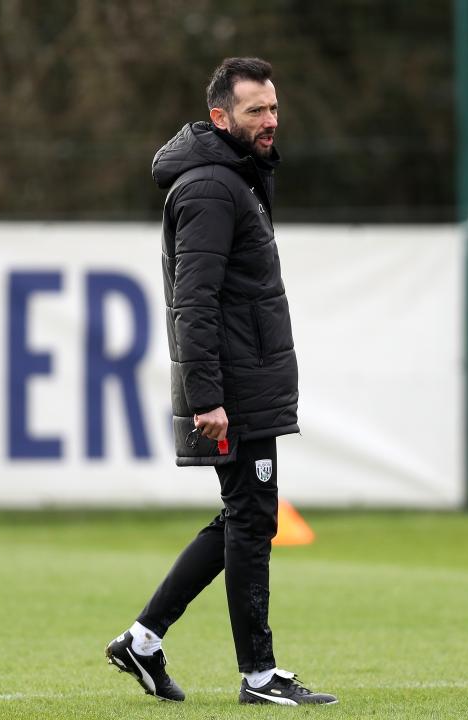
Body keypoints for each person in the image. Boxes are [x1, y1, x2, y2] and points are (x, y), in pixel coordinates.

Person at [105, 57, 337, 707]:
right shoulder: (211, 187)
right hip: (232, 389)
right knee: (251, 520)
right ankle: (259, 676)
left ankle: (142, 640)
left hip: (243, 381)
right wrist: (208, 397)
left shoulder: (237, 178)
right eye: (255, 110)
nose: (270, 120)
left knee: (245, 516)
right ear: (220, 117)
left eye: (273, 107)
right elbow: (195, 300)